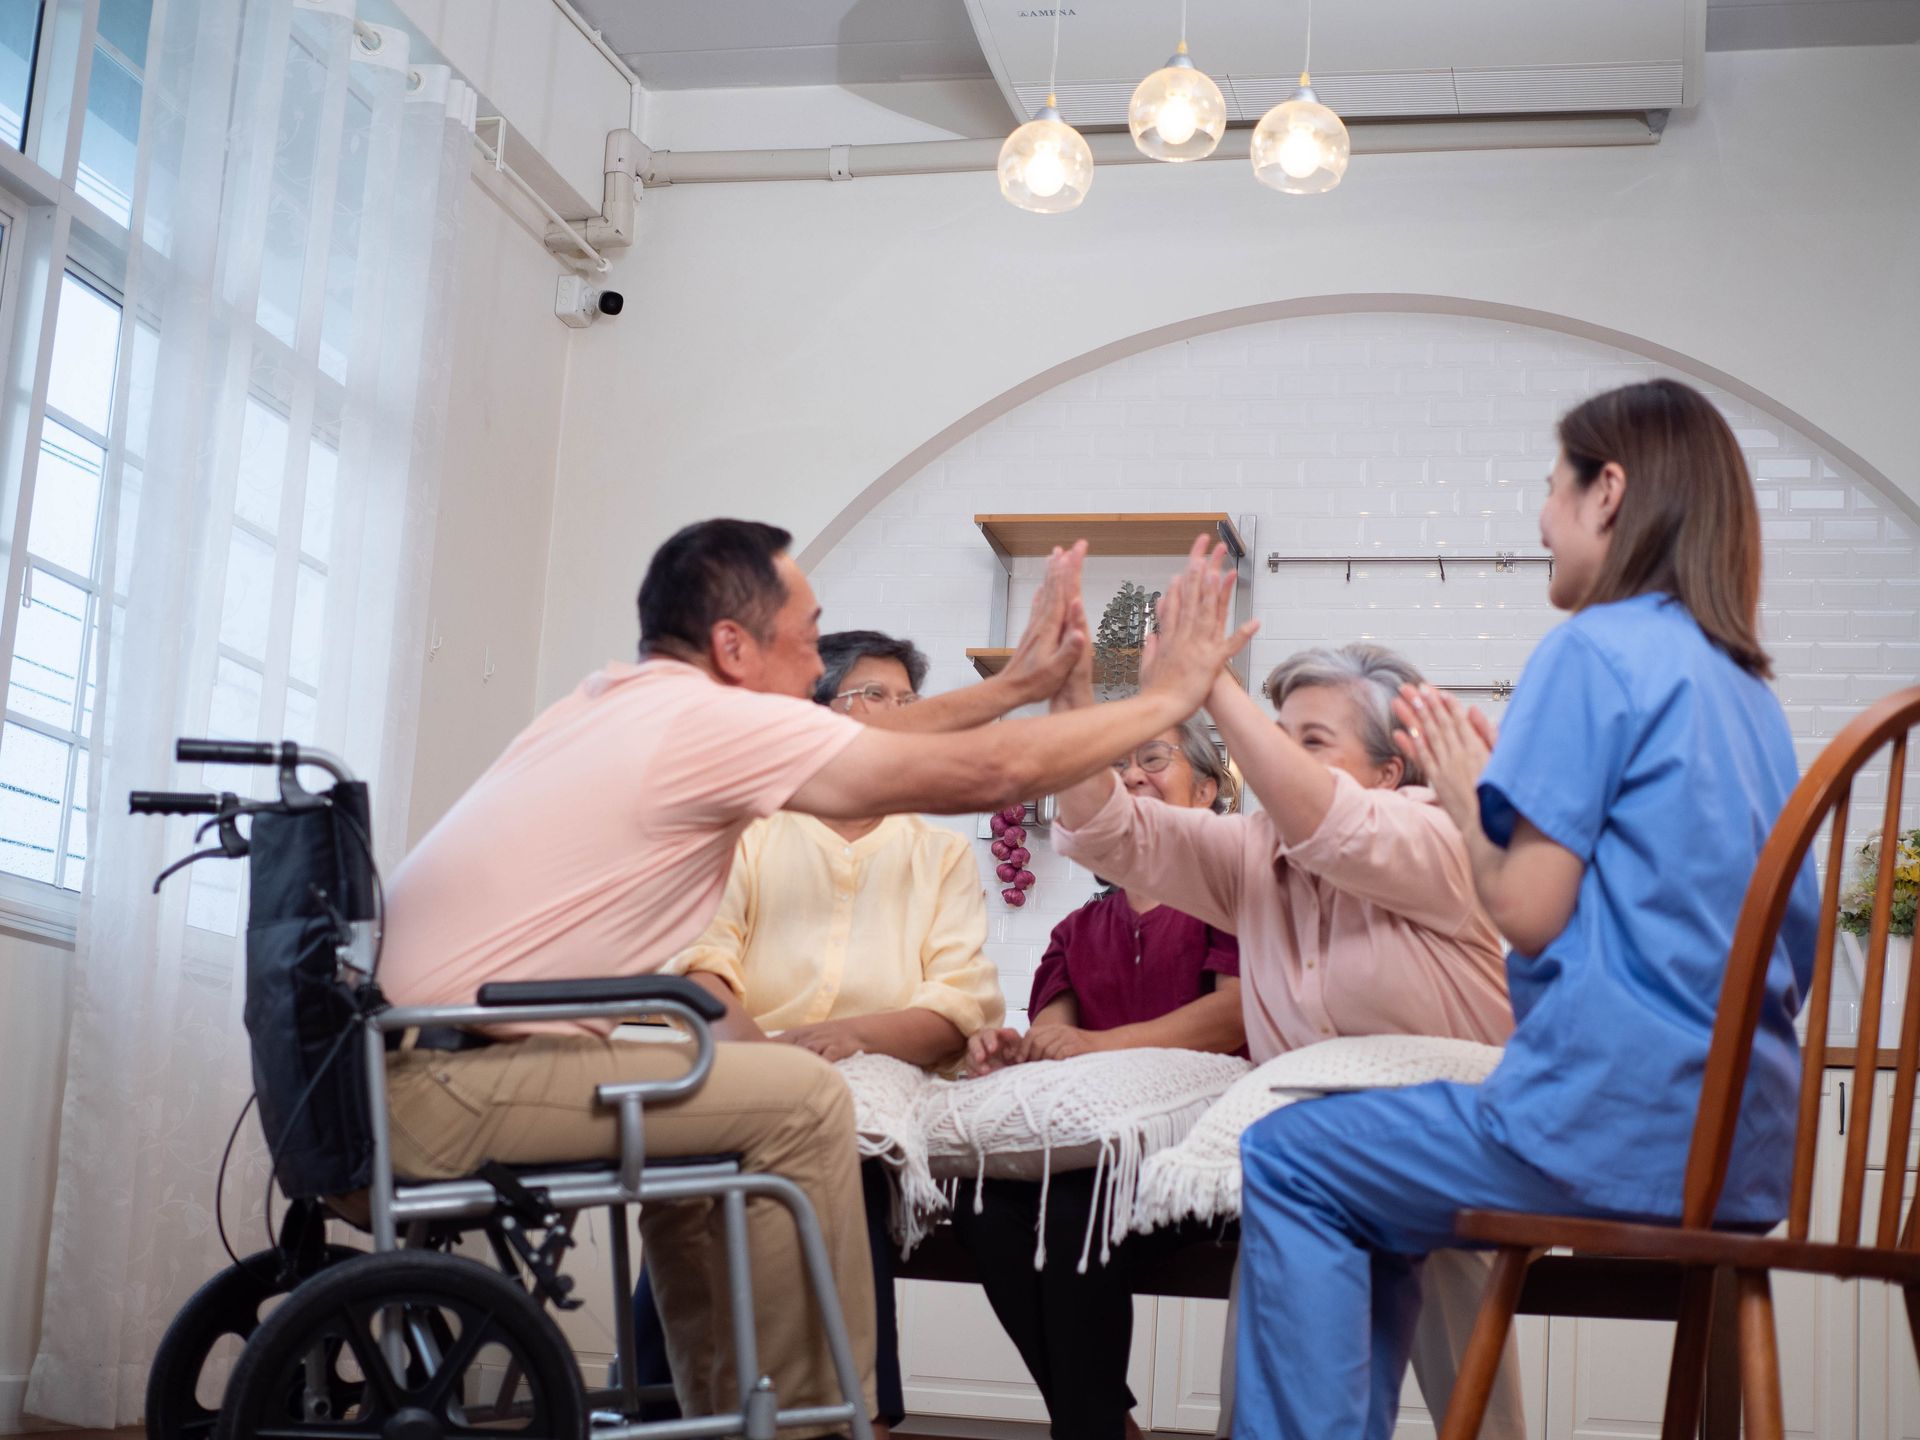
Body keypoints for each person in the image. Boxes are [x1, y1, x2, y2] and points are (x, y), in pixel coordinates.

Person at [375, 519, 1256, 1433]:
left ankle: (713, 1410)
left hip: (418, 1061)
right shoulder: (701, 724)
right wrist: (1171, 697)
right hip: (445, 1076)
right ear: (734, 646)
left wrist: (1026, 684)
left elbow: (885, 745)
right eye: (807, 636)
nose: (820, 674)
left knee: (738, 1121)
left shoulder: (639, 704)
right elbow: (983, 769)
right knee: (807, 1102)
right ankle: (833, 1419)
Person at [1231, 378, 1822, 1440]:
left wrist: (1466, 805)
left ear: (1610, 492)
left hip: (1607, 1136)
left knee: (1292, 1156)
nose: (1541, 520)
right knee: (1373, 1189)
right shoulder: (1748, 694)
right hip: (1742, 1154)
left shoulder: (1592, 652)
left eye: (1552, 489)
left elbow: (1532, 915)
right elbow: (1798, 946)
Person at [1044, 636, 1522, 1435]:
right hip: (1308, 1159)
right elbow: (1112, 833)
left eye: (1308, 741)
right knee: (1270, 1369)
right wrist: (1073, 706)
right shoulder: (1253, 851)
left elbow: (1340, 829)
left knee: (1472, 1391)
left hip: (1450, 1143)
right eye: (1276, 732)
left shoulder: (1444, 833)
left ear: (1390, 771)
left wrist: (1213, 688)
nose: (1274, 760)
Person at [633, 629, 1007, 1435]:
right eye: (875, 696)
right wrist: (766, 1065)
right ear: (819, 713)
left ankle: (855, 1411)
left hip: (874, 1076)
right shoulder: (750, 831)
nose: (899, 713)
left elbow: (959, 1002)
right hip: (744, 1059)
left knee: (850, 1140)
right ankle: (662, 1404)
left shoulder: (937, 852)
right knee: (701, 1169)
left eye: (911, 701)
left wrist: (850, 1036)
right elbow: (701, 965)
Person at [950, 715, 1245, 1440]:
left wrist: (1094, 1043)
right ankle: (1103, 1422)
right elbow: (1055, 1039)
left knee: (1076, 1216)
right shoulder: (1077, 932)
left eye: (1153, 759)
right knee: (982, 1208)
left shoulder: (1236, 903)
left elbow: (1231, 1021)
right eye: (1116, 768)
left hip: (1201, 1159)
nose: (1132, 777)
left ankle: (1089, 1429)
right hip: (1091, 1158)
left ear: (1208, 790)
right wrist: (1008, 1049)